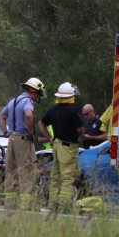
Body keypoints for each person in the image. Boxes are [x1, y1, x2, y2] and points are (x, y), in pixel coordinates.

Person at [0, 77, 50, 207]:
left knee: (11, 172)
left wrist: (6, 132)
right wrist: (30, 132)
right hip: (23, 140)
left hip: (12, 139)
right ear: (34, 91)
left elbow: (1, 116)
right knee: (26, 172)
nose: (38, 96)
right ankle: (27, 204)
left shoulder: (13, 101)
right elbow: (29, 115)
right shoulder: (28, 102)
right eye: (38, 93)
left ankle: (10, 203)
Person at [42, 82, 84, 211]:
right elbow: (80, 130)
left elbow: (40, 124)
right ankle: (63, 206)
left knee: (55, 177)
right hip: (68, 146)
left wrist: (49, 137)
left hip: (55, 145)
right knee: (67, 177)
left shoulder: (53, 109)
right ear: (71, 96)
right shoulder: (73, 110)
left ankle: (53, 204)